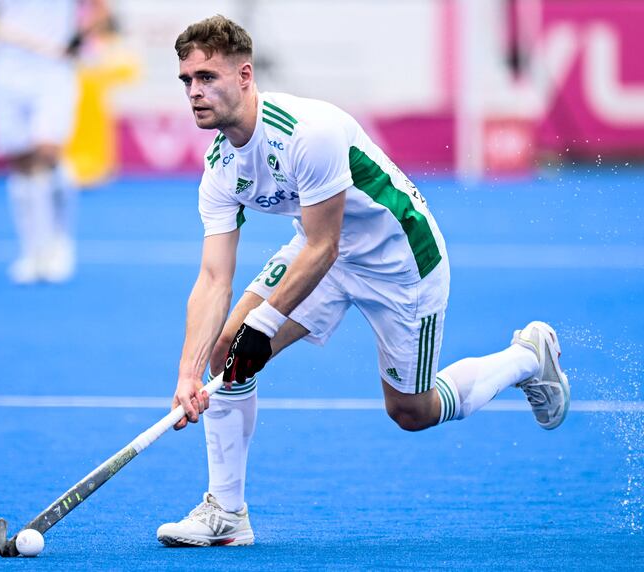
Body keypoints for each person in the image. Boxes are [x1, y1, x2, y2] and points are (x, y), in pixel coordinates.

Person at [156, 15, 570, 547]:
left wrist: (261, 325)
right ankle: (227, 514)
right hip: (320, 248)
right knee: (222, 356)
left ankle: (528, 357)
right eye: (187, 81)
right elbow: (214, 278)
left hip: (400, 261)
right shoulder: (219, 167)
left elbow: (326, 247)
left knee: (411, 411)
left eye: (207, 77)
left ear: (244, 74)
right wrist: (188, 372)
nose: (195, 92)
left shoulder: (308, 132)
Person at [0, 0, 109, 284]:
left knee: (48, 151)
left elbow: (101, 9)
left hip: (52, 70)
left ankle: (60, 243)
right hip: (8, 70)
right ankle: (32, 251)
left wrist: (76, 39)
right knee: (20, 162)